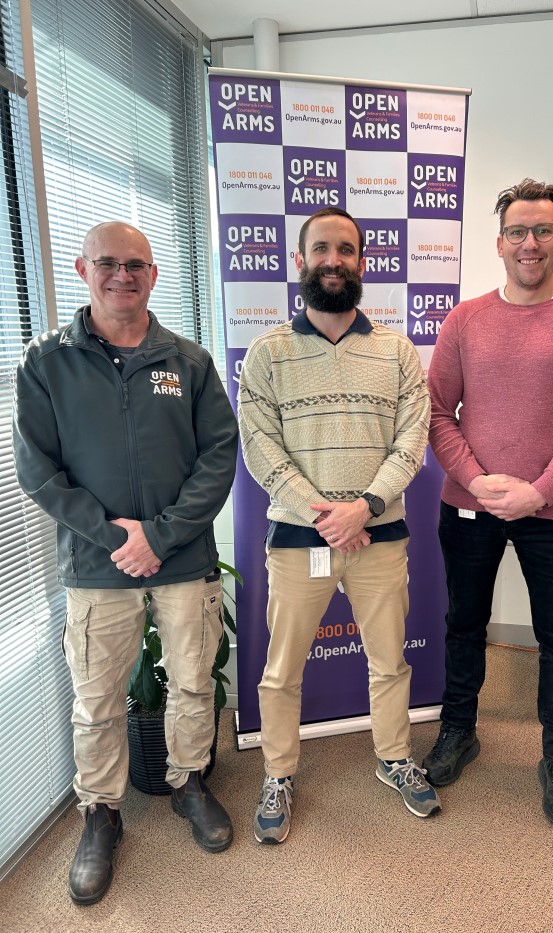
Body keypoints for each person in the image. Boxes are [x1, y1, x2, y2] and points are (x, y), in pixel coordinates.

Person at [13, 222, 239, 904]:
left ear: (154, 274)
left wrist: (161, 534)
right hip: (95, 563)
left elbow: (218, 456)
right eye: (108, 263)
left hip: (181, 556)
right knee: (96, 698)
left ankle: (188, 781)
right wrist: (116, 537)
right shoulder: (44, 362)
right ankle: (101, 813)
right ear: (83, 269)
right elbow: (37, 471)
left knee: (194, 680)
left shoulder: (189, 361)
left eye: (135, 264)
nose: (122, 275)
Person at [423, 179, 553, 827]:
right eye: (518, 231)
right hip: (470, 503)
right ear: (500, 242)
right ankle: (459, 730)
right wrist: (478, 479)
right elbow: (435, 411)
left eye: (542, 230)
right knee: (464, 624)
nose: (530, 243)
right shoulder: (465, 319)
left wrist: (539, 489)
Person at [237, 207, 440, 844]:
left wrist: (364, 510)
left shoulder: (398, 351)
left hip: (378, 537)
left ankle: (394, 755)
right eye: (321, 248)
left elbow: (413, 441)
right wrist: (328, 516)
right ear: (300, 261)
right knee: (280, 670)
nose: (334, 260)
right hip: (302, 541)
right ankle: (278, 771)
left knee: (389, 662)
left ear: (361, 262)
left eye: (346, 250)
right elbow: (260, 448)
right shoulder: (267, 353)